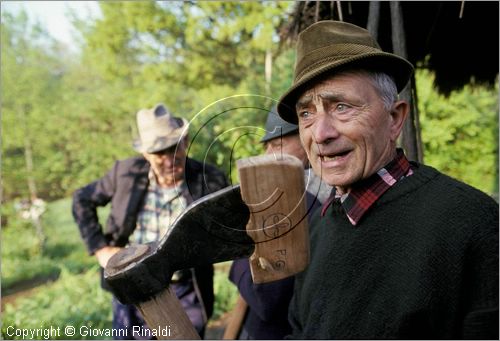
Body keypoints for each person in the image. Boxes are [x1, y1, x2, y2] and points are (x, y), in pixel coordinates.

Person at [275, 20, 499, 339]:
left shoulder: (471, 222)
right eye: (306, 114)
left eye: (341, 107)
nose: (320, 134)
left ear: (395, 119)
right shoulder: (317, 228)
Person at [72, 104, 229, 339]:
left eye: (175, 148)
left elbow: (230, 226)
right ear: (145, 153)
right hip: (131, 285)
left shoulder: (209, 178)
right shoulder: (125, 174)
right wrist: (100, 248)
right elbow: (81, 199)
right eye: (160, 153)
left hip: (186, 289)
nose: (170, 160)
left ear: (185, 141)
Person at [227, 107, 326, 339]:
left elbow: (266, 299)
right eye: (267, 145)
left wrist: (238, 256)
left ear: (306, 137)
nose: (268, 153)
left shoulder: (295, 199)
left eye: (277, 142)